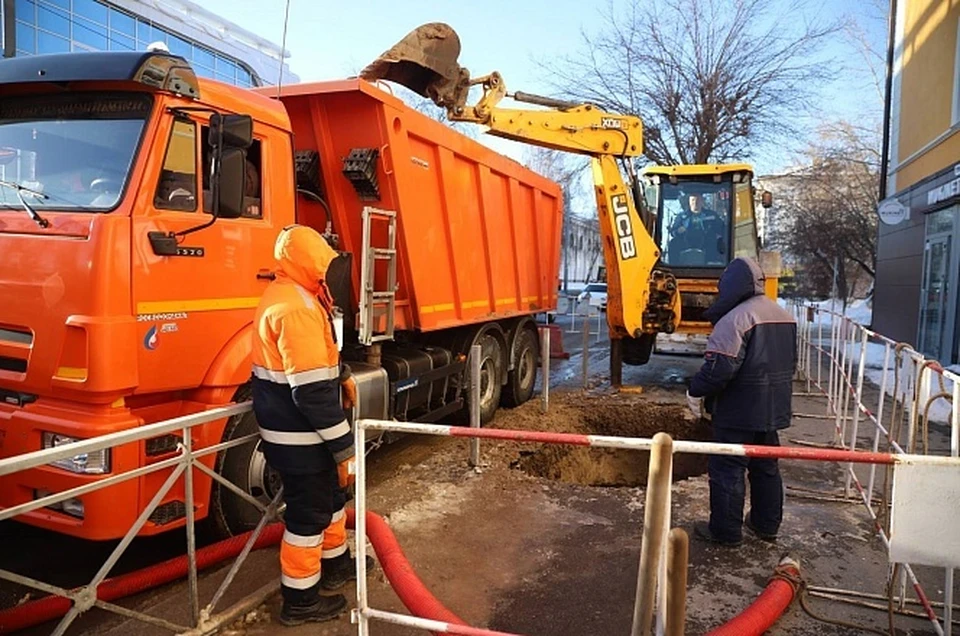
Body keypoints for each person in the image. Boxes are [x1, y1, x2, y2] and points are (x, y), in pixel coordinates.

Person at [251, 224, 365, 625]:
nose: (327, 269)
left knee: (331, 503)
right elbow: (312, 394)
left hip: (301, 434)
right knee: (307, 518)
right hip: (301, 438)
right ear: (306, 260)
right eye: (322, 261)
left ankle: (334, 566)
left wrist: (344, 373)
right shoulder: (295, 306)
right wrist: (344, 450)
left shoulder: (296, 294)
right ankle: (300, 602)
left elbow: (317, 357)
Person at [686, 257, 796, 546]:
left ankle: (725, 532)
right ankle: (765, 525)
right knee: (766, 467)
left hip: (738, 411)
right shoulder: (782, 314)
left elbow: (719, 370)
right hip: (773, 408)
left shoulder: (735, 319)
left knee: (727, 468)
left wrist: (694, 390)